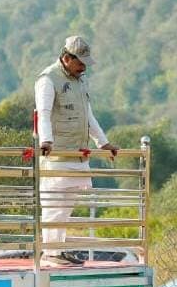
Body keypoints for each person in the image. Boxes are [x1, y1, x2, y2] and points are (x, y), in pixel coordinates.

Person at [34, 35, 119, 266]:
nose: (84, 68)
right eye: (80, 63)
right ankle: (50, 252)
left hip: (77, 154)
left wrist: (103, 143)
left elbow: (88, 116)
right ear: (66, 58)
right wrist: (46, 141)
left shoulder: (81, 82)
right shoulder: (48, 79)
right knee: (54, 206)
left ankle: (58, 250)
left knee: (66, 206)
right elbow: (43, 113)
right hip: (56, 156)